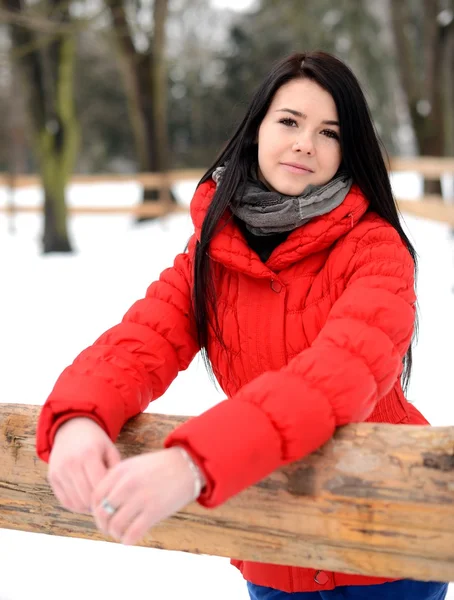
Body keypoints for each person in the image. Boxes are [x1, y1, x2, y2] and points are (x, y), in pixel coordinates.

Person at [36, 51, 448, 600]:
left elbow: (338, 376)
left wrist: (195, 462)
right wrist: (79, 416)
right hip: (272, 547)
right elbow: (143, 339)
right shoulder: (211, 250)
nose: (306, 142)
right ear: (256, 128)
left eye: (330, 132)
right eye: (289, 121)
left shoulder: (376, 251)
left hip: (384, 541)